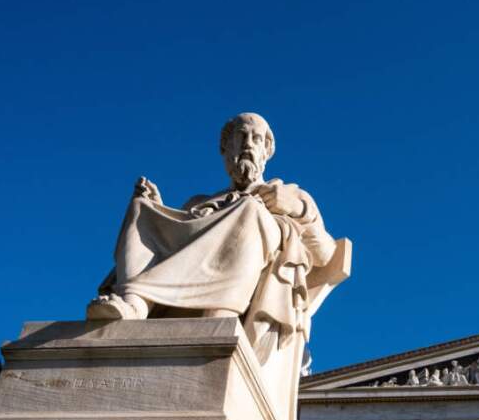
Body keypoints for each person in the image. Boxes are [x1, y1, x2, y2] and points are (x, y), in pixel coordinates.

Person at [87, 113, 336, 365]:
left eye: (257, 138)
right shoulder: (200, 202)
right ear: (225, 148)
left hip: (252, 263)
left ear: (266, 150)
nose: (249, 144)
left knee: (250, 210)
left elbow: (325, 253)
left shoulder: (290, 194)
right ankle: (135, 302)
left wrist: (294, 208)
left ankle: (220, 313)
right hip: (189, 270)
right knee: (141, 208)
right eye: (241, 136)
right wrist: (158, 209)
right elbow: (181, 242)